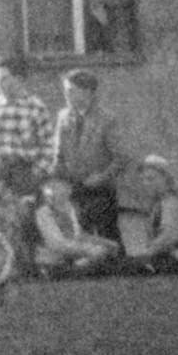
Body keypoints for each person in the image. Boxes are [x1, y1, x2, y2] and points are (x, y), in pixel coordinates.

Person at [50, 68, 124, 242]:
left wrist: (102, 177)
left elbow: (121, 158)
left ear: (87, 92)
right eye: (66, 90)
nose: (66, 95)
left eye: (71, 91)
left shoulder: (106, 119)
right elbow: (58, 155)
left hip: (100, 192)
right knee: (80, 239)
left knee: (109, 238)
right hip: (74, 191)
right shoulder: (64, 117)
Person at [0, 55, 53, 200]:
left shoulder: (35, 107)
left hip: (25, 175)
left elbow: (49, 146)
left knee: (29, 217)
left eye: (4, 78)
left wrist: (36, 174)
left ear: (19, 78)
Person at [122, 154, 178, 275]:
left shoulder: (171, 202)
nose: (145, 183)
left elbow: (168, 237)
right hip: (162, 257)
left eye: (151, 179)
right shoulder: (157, 203)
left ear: (166, 178)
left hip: (172, 260)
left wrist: (144, 255)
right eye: (143, 179)